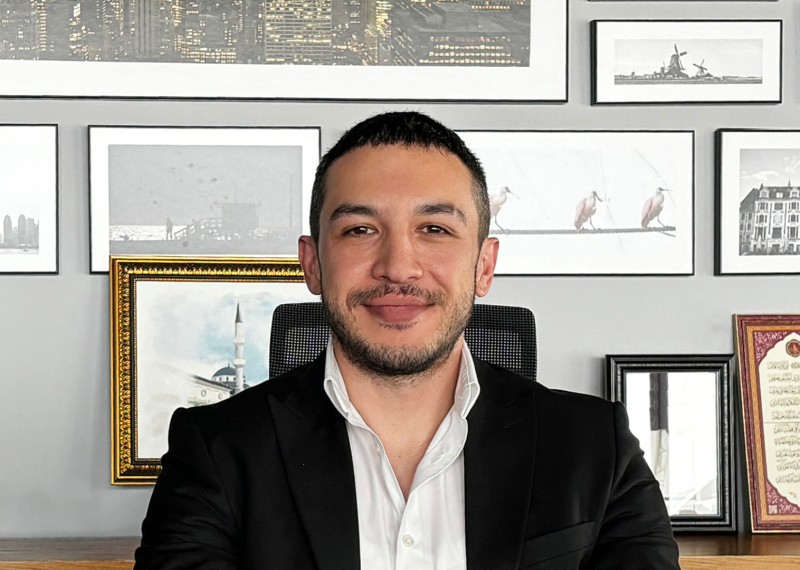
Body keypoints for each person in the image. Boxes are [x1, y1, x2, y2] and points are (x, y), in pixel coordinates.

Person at [135, 112, 679, 569]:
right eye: (359, 230)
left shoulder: (597, 448)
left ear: (484, 266)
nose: (398, 266)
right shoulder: (215, 452)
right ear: (313, 264)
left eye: (435, 229)